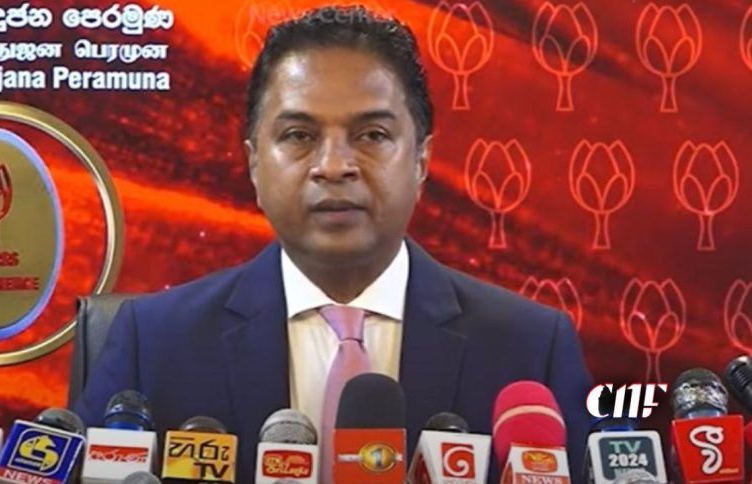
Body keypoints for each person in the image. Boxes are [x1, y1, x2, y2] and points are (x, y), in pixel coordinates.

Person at [73, 5, 592, 482]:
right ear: (254, 164)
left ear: (421, 162)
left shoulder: (530, 350)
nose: (334, 166)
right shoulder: (153, 344)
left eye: (372, 135)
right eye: (300, 136)